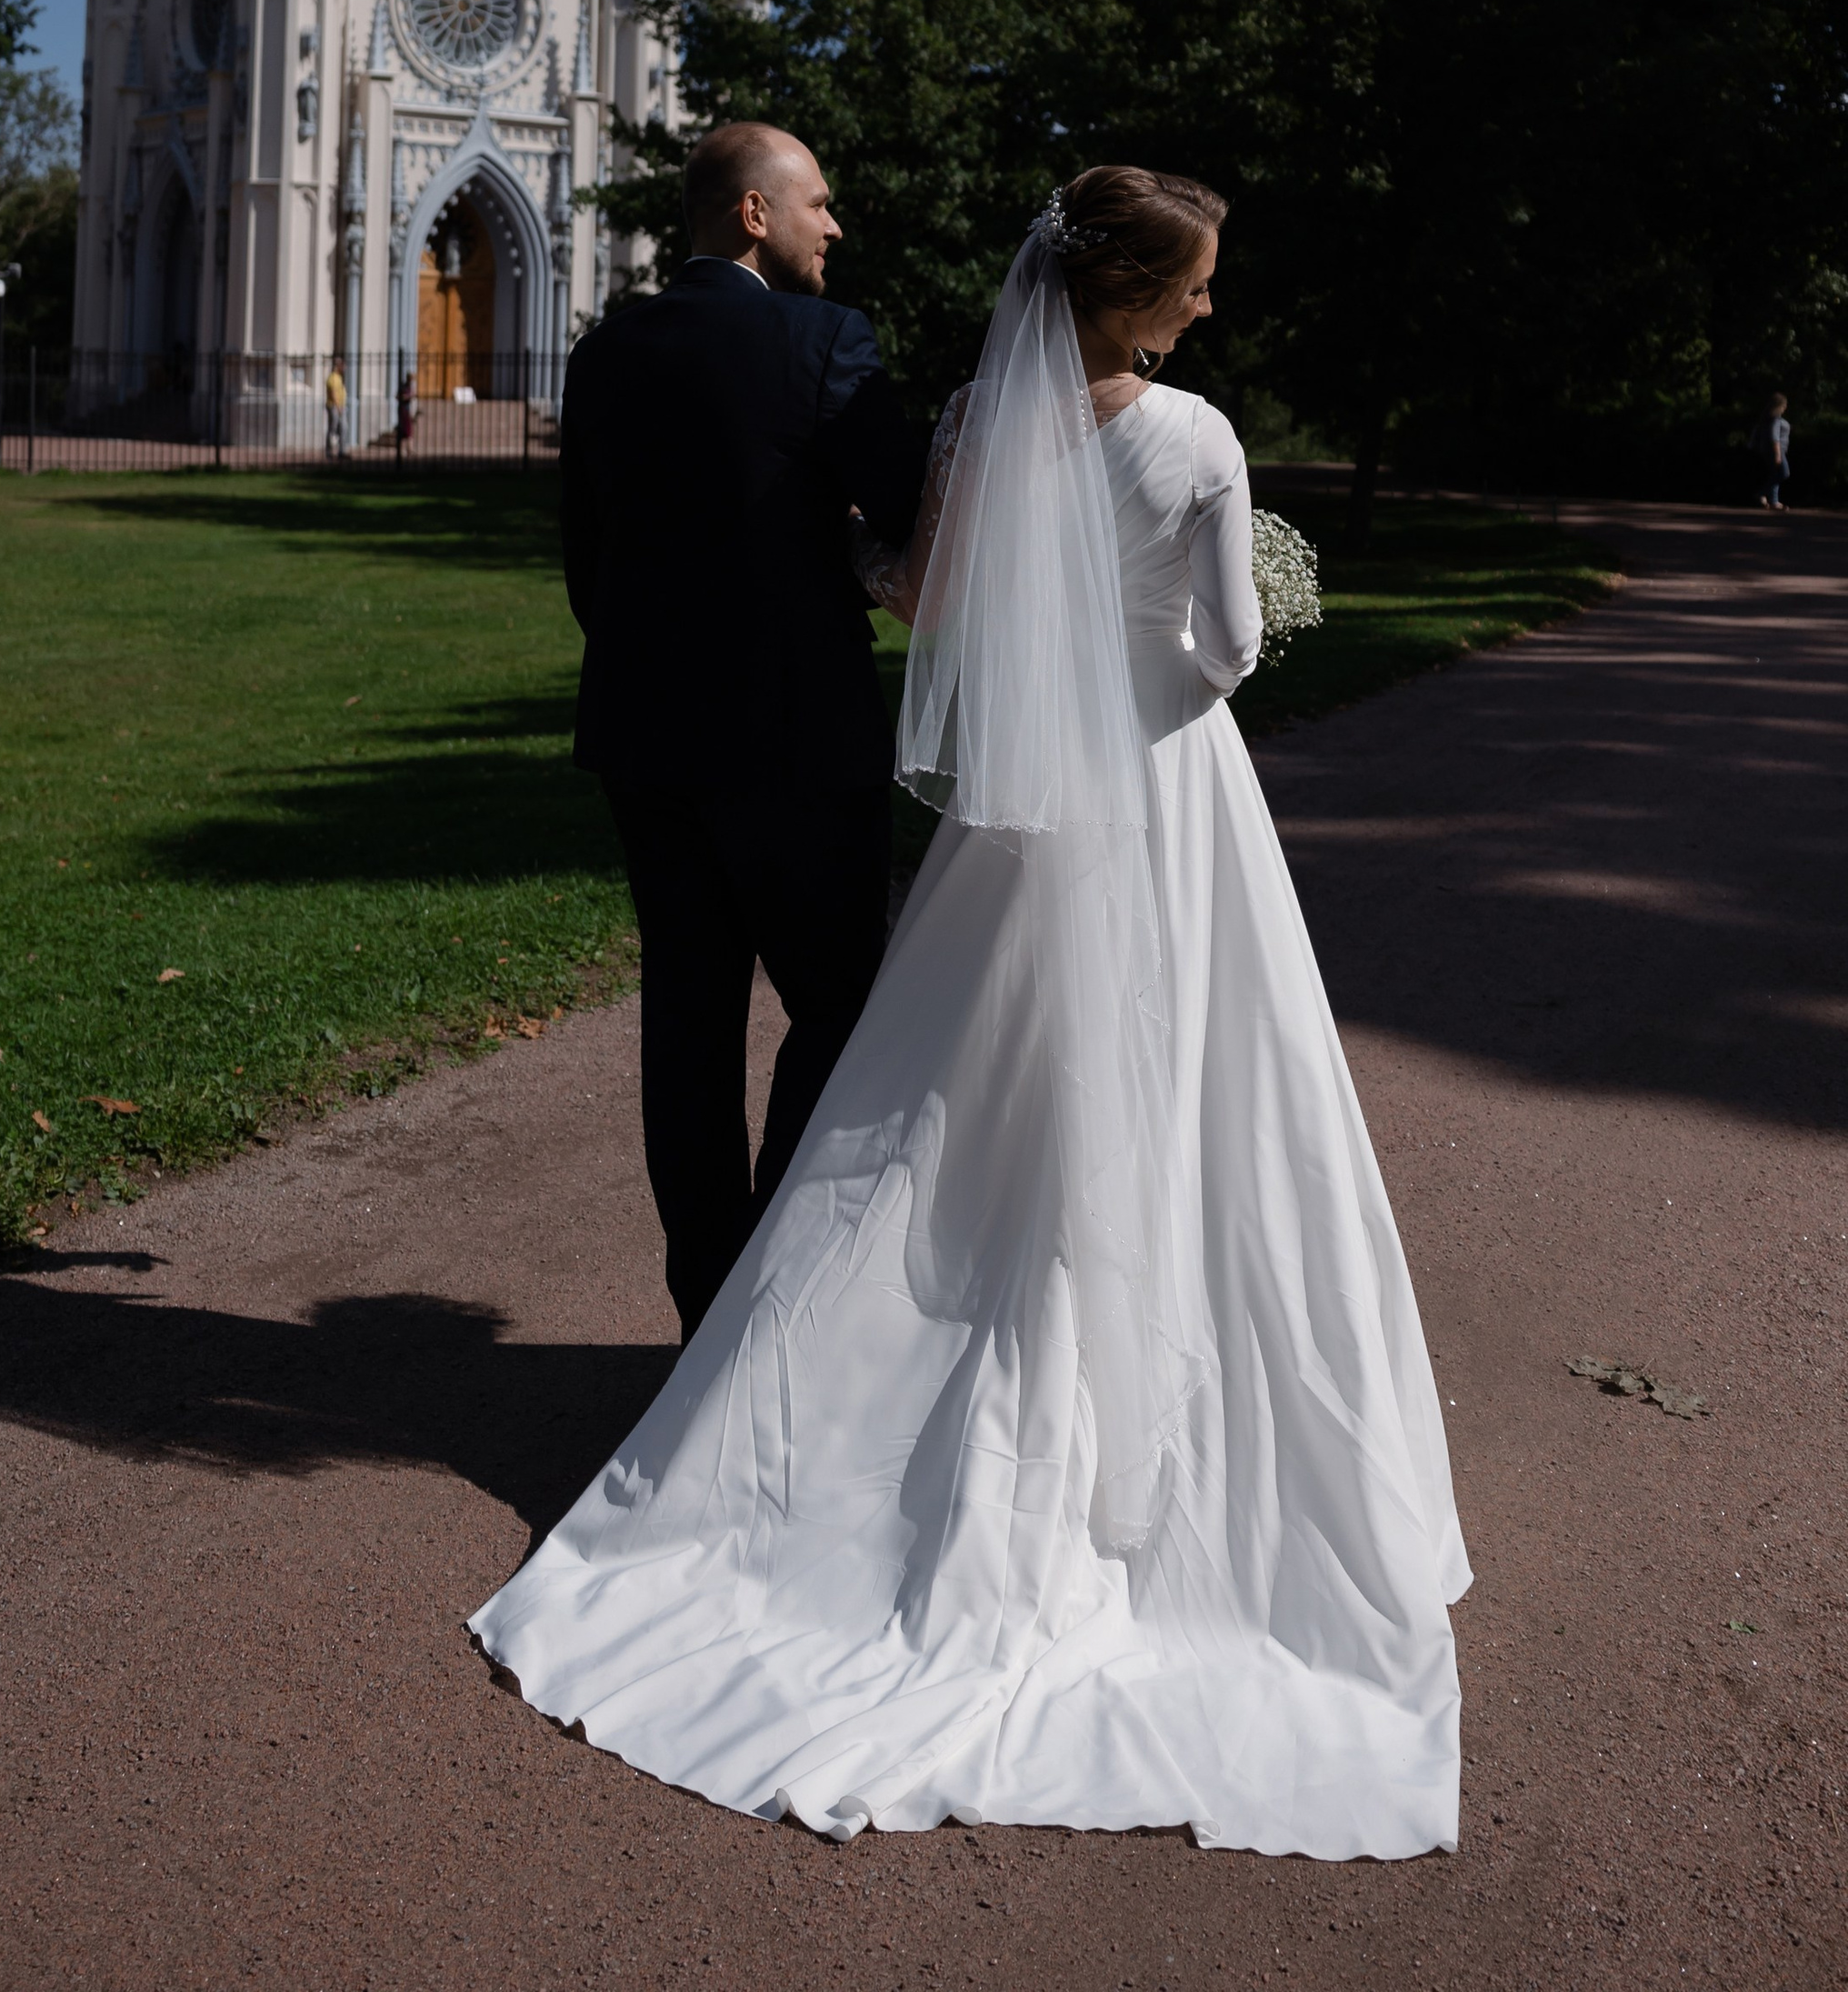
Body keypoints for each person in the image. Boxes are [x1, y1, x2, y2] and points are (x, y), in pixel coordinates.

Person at [475, 165, 1468, 1862]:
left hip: (1012, 815)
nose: (1214, 308)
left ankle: (788, 1395)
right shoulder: (1199, 442)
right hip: (1159, 803)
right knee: (1199, 1091)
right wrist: (1204, 633)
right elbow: (1225, 647)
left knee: (939, 1104)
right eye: (1202, 284)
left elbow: (918, 594)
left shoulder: (970, 419)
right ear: (1145, 293)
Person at [554, 121, 928, 1339]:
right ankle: (776, 1288)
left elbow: (587, 565)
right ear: (754, 215)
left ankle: (705, 1301)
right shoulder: (823, 341)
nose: (836, 224)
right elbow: (917, 501)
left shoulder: (606, 351)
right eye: (817, 202)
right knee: (843, 1005)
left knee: (690, 1020)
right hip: (797, 741)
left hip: (645, 741)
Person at [1761, 391, 1791, 512]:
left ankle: (1773, 500)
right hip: (1778, 452)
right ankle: (1762, 493)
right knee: (1784, 473)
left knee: (1775, 475)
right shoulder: (1776, 420)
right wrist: (1778, 454)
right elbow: (1775, 437)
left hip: (1777, 451)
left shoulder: (1773, 419)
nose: (1785, 407)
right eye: (1784, 405)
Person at [324, 360, 348, 461]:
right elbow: (333, 393)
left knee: (344, 428)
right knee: (332, 429)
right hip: (334, 406)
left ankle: (342, 451)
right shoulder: (333, 378)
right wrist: (338, 407)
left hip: (340, 406)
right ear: (338, 366)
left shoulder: (339, 378)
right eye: (343, 366)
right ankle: (329, 451)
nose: (345, 368)